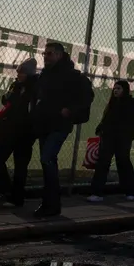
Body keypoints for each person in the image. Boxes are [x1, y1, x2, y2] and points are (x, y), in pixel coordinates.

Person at [31, 41, 91, 218]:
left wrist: (70, 110)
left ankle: (51, 204)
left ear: (58, 55)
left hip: (59, 125)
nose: (45, 57)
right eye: (44, 54)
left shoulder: (71, 75)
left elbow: (86, 96)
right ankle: (50, 205)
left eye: (49, 54)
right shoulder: (45, 75)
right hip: (44, 124)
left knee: (47, 159)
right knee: (47, 162)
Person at [0, 58, 38, 208]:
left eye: (21, 72)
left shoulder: (33, 87)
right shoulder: (17, 85)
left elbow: (17, 103)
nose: (18, 74)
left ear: (27, 73)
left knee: (19, 164)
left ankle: (12, 196)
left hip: (24, 130)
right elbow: (6, 101)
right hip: (12, 129)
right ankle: (6, 192)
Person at [88, 80, 134, 202]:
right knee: (103, 163)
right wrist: (101, 129)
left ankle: (130, 191)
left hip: (122, 139)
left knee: (123, 163)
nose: (115, 90)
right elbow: (106, 121)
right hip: (108, 139)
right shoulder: (112, 105)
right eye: (115, 88)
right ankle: (97, 193)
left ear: (125, 90)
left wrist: (129, 136)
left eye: (119, 88)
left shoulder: (131, 105)